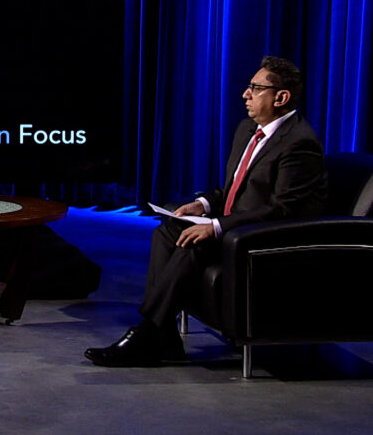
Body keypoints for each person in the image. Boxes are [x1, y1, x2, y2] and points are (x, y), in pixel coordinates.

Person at [85, 56, 327, 367]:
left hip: (265, 241)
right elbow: (235, 189)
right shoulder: (248, 130)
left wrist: (215, 227)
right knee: (166, 231)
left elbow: (283, 209)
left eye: (256, 88)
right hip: (237, 228)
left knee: (193, 242)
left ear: (281, 97)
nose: (245, 95)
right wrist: (204, 205)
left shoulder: (299, 143)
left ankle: (147, 334)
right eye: (248, 87)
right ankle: (166, 337)